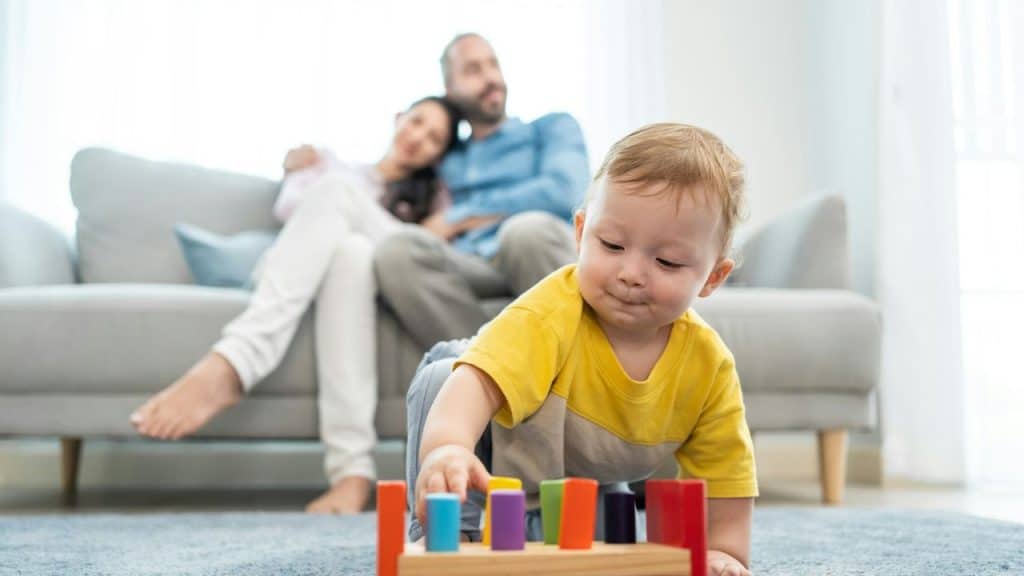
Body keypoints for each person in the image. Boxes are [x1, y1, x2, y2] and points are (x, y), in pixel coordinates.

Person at [405, 124, 758, 576]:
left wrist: (727, 551)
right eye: (611, 245)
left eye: (666, 261)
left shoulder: (708, 366)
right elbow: (475, 384)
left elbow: (727, 471)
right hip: (497, 434)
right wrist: (447, 447)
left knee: (589, 552)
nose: (631, 272)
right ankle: (450, 527)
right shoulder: (552, 312)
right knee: (447, 377)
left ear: (712, 277)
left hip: (579, 472)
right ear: (580, 233)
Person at [130, 96, 464, 514]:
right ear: (399, 118)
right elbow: (291, 210)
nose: (419, 138)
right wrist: (297, 169)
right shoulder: (329, 167)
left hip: (374, 266)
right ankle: (348, 469)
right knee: (345, 234)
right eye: (417, 122)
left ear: (439, 155)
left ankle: (242, 366)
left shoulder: (433, 198)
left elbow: (423, 254)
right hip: (299, 264)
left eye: (434, 138)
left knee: (353, 242)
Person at [374, 33, 591, 348]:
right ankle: (488, 373)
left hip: (535, 249)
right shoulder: (446, 156)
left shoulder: (550, 128)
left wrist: (459, 217)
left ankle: (573, 375)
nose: (490, 77)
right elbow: (392, 169)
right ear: (450, 89)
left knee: (524, 231)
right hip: (470, 262)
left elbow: (565, 191)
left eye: (493, 64)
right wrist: (312, 164)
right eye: (473, 70)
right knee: (396, 250)